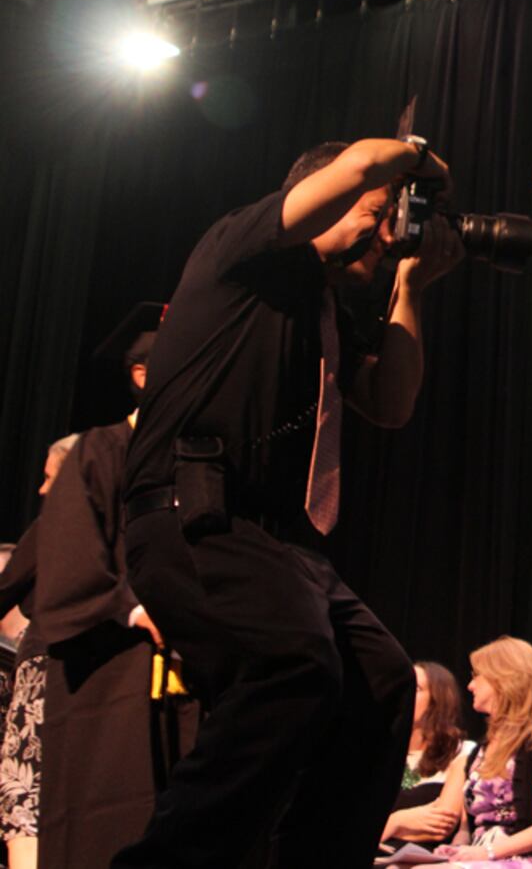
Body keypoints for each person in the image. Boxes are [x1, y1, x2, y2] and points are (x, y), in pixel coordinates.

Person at [113, 136, 463, 869]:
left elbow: (392, 402)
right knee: (296, 662)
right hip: (191, 511)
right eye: (373, 214)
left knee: (382, 681)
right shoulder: (243, 250)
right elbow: (365, 162)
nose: (384, 230)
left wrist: (410, 288)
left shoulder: (325, 315)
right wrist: (421, 169)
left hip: (279, 541)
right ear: (322, 199)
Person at [27, 303, 193, 869]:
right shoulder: (96, 453)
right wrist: (134, 609)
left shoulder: (202, 462)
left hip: (192, 682)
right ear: (142, 374)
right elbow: (66, 564)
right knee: (108, 832)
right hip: (113, 677)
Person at [0, 434, 77, 869]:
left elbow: (6, 587)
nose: (43, 491)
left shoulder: (57, 526)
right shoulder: (127, 533)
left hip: (42, 671)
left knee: (23, 793)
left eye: (50, 479)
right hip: (93, 682)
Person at [436, 636, 532, 868]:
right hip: (482, 859)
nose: (470, 686)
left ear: (505, 679)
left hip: (528, 861)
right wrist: (457, 849)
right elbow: (467, 828)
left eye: (476, 676)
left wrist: (487, 853)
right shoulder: (480, 751)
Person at [383, 661, 475, 845]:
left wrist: (387, 827)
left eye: (415, 688)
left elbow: (441, 826)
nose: (405, 694)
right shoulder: (381, 754)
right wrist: (397, 820)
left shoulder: (462, 752)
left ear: (438, 699)